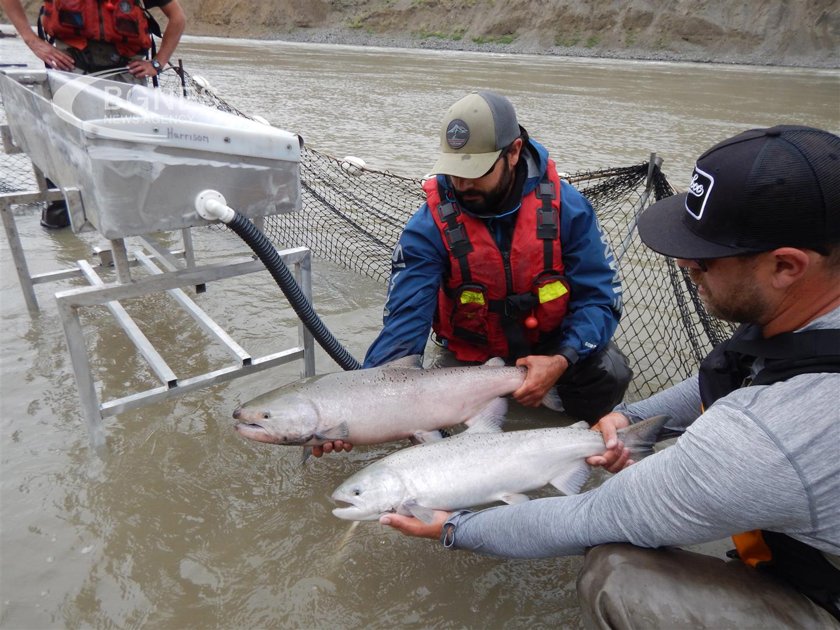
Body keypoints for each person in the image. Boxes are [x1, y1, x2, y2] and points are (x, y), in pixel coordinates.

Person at [379, 125, 840, 627]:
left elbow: (587, 516)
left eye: (705, 258)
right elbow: (731, 371)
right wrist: (629, 417)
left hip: (822, 589)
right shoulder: (804, 314)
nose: (685, 263)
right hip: (476, 358)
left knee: (618, 573)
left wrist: (454, 527)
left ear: (787, 266)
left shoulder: (764, 440)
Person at [314, 91, 632, 457]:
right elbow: (403, 325)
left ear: (513, 152)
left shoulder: (569, 210)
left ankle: (583, 448)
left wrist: (562, 358)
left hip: (552, 348)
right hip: (470, 358)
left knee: (611, 372)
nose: (462, 185)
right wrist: (360, 411)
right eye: (455, 171)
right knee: (440, 446)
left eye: (476, 172)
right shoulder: (428, 226)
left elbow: (600, 299)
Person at [0, 0, 186, 227]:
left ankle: (134, 219)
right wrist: (33, 41)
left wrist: (158, 63)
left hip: (124, 75)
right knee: (63, 145)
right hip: (69, 70)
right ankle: (62, 225)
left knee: (131, 151)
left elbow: (177, 18)